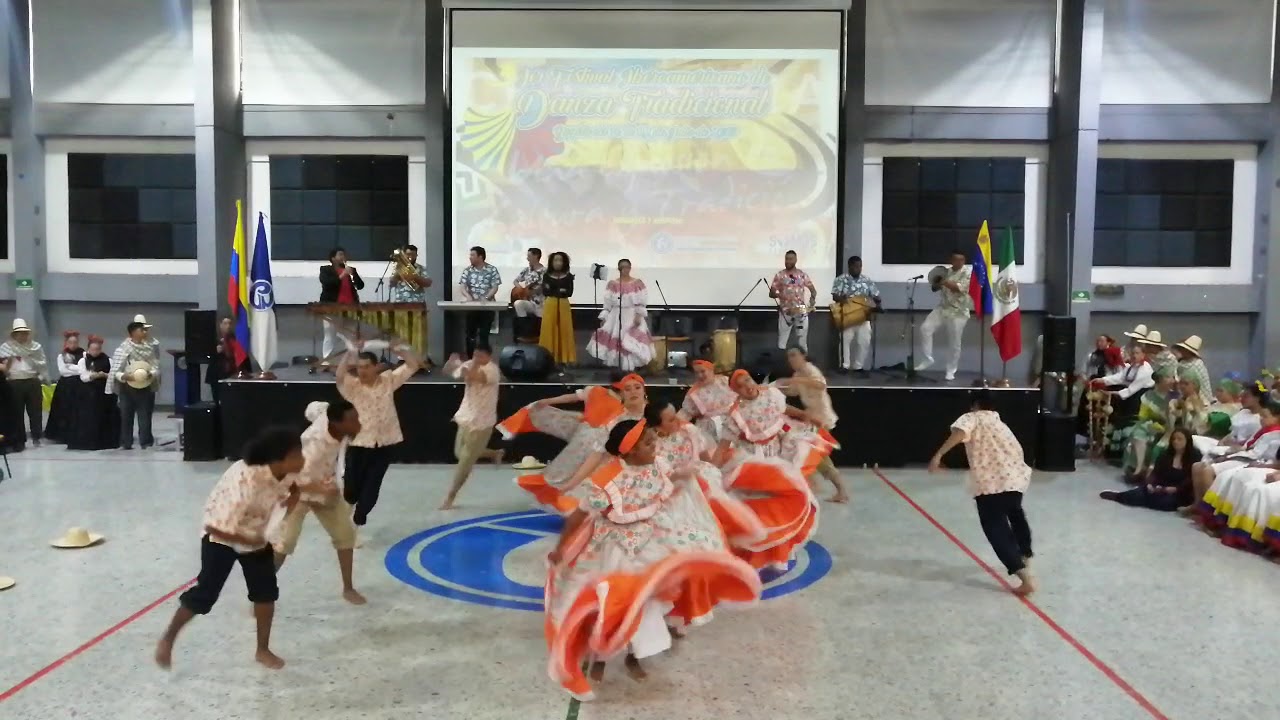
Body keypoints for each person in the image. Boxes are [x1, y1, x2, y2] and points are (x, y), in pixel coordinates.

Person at [543, 419, 762, 700]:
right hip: (614, 547)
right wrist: (561, 549)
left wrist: (691, 477)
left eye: (651, 439)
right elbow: (579, 517)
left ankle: (635, 655)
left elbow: (670, 481)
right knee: (612, 602)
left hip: (653, 540)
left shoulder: (658, 464)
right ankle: (600, 656)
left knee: (649, 601)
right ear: (630, 452)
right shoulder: (606, 481)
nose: (654, 444)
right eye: (647, 442)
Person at [154, 426, 304, 671]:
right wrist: (251, 541)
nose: (303, 460)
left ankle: (262, 649)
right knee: (206, 594)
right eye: (297, 455)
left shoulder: (288, 471)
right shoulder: (246, 482)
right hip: (221, 537)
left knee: (265, 593)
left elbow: (296, 487)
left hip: (255, 533)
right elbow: (217, 528)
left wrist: (288, 503)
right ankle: (168, 638)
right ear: (279, 458)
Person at [928, 389, 1036, 595]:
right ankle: (1025, 553)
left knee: (995, 528)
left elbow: (959, 433)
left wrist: (938, 455)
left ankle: (1023, 575)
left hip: (990, 483)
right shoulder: (1000, 423)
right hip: (1015, 479)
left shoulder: (972, 418)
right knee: (1015, 513)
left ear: (974, 405)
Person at [506, 373, 648, 514]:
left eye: (637, 387)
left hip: (591, 440)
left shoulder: (647, 413)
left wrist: (548, 401)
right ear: (621, 390)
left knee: (568, 470)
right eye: (627, 388)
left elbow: (573, 401)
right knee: (574, 473)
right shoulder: (614, 417)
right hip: (596, 443)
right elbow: (598, 452)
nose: (633, 391)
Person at [273, 400, 366, 605]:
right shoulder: (314, 447)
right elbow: (293, 480)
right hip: (297, 492)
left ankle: (348, 588)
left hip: (325, 488)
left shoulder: (330, 419)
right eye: (352, 421)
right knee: (285, 542)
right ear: (336, 423)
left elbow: (314, 409)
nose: (358, 424)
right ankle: (262, 593)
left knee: (345, 535)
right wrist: (321, 488)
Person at [335, 339, 423, 526]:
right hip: (359, 444)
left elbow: (413, 365)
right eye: (359, 367)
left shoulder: (388, 381)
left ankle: (359, 518)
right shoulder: (352, 387)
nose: (363, 371)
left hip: (384, 443)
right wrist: (350, 353)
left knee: (371, 488)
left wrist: (399, 349)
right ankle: (350, 508)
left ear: (376, 367)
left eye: (367, 367)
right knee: (351, 489)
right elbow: (340, 375)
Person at [777, 347, 850, 503]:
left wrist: (795, 380)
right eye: (789, 357)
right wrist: (774, 388)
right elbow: (792, 392)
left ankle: (829, 489)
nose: (791, 359)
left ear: (803, 355)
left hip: (821, 419)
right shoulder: (798, 375)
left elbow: (820, 384)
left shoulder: (810, 369)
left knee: (815, 455)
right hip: (811, 421)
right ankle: (817, 487)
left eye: (794, 355)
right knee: (810, 454)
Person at [1194, 395, 1280, 525]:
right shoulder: (1264, 430)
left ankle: (1212, 517)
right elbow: (1248, 445)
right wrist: (1232, 451)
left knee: (1213, 472)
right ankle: (1200, 508)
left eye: (1265, 416)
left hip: (1253, 460)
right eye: (1261, 416)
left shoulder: (1274, 434)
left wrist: (1232, 455)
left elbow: (1256, 454)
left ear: (1277, 418)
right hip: (1247, 456)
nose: (1261, 420)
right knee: (1200, 466)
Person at [439, 345, 504, 510]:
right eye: (475, 355)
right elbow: (450, 373)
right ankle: (495, 453)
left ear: (489, 357)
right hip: (465, 417)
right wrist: (451, 363)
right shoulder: (470, 364)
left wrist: (469, 365)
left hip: (481, 423)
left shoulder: (492, 370)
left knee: (466, 461)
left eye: (480, 356)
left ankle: (450, 497)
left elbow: (473, 376)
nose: (476, 359)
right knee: (459, 454)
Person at [1100, 428, 1200, 511]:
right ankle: (1119, 496)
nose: (1175, 442)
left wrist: (1176, 489)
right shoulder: (1165, 454)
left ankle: (1147, 500)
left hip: (1178, 492)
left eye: (1179, 439)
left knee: (1166, 503)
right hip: (1160, 487)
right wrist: (1150, 484)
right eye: (1174, 439)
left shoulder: (1194, 456)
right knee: (1138, 493)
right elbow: (1155, 472)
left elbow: (1191, 479)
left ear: (1187, 441)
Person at [586, 258, 653, 371]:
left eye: (627, 267)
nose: (625, 269)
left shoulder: (637, 283)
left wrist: (638, 315)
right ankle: (619, 369)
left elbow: (642, 301)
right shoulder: (613, 284)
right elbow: (608, 303)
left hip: (632, 315)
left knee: (630, 340)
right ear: (618, 269)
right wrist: (604, 316)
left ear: (630, 268)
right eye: (622, 267)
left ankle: (631, 368)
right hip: (616, 316)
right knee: (617, 340)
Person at [916, 250, 972, 381]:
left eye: (961, 260)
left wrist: (943, 280)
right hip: (943, 308)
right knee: (925, 328)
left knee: (954, 343)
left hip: (959, 312)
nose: (958, 262)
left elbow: (958, 288)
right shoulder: (946, 271)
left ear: (964, 261)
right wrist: (936, 282)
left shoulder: (968, 273)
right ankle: (927, 359)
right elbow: (934, 288)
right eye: (955, 259)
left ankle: (951, 371)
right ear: (951, 260)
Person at [1115, 368, 1176, 483]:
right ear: (1159, 380)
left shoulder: (1174, 396)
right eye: (1168, 377)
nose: (1172, 380)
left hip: (1169, 427)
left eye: (1172, 377)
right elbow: (1142, 416)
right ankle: (1139, 467)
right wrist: (1151, 422)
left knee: (1144, 431)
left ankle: (1147, 470)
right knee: (1138, 432)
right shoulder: (1148, 395)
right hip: (1151, 424)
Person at [111, 321, 161, 450]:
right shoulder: (123, 349)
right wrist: (126, 377)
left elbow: (155, 366)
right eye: (141, 330)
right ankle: (126, 442)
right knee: (126, 415)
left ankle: (146, 442)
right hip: (127, 387)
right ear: (133, 332)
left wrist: (151, 374)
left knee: (145, 416)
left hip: (145, 387)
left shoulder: (149, 348)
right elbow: (115, 370)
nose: (144, 332)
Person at [0, 318, 48, 449]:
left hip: (32, 380)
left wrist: (41, 376)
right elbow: (3, 367)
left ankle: (37, 437)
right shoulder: (5, 348)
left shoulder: (36, 347)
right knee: (16, 412)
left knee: (35, 411)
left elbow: (42, 363)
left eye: (25, 332)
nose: (23, 335)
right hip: (14, 382)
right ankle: (19, 439)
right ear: (14, 334)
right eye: (20, 333)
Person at [830, 255, 881, 373]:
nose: (858, 269)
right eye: (855, 266)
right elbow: (834, 296)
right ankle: (845, 365)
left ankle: (858, 366)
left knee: (864, 340)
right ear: (849, 266)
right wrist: (841, 297)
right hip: (848, 315)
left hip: (863, 316)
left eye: (860, 266)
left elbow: (876, 295)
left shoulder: (866, 280)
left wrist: (877, 301)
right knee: (845, 341)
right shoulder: (841, 279)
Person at [66, 336, 119, 451]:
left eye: (98, 349)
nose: (95, 352)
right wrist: (94, 375)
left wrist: (105, 375)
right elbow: (83, 377)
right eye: (93, 349)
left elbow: (113, 374)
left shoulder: (108, 360)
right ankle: (85, 441)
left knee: (104, 416)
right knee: (87, 417)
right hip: (87, 393)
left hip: (104, 393)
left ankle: (105, 441)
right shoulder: (83, 361)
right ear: (88, 349)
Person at [318, 247, 364, 362]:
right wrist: (343, 274)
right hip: (332, 306)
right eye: (340, 255)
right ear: (333, 258)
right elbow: (327, 283)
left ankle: (352, 359)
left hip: (350, 306)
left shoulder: (351, 270)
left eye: (344, 255)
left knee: (351, 334)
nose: (343, 257)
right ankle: (327, 360)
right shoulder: (325, 270)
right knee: (330, 334)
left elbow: (360, 286)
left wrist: (354, 276)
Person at [457, 245, 502, 357]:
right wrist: (468, 296)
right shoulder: (468, 270)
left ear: (480, 257)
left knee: (484, 334)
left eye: (472, 255)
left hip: (487, 306)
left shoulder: (492, 269)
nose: (470, 257)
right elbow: (462, 286)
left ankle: (484, 358)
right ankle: (470, 358)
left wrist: (486, 297)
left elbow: (495, 287)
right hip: (472, 306)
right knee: (470, 333)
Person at [769, 250, 817, 353]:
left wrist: (812, 302)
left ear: (795, 260)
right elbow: (771, 293)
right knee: (782, 342)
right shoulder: (780, 275)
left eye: (790, 259)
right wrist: (779, 295)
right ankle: (781, 364)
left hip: (800, 310)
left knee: (802, 342)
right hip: (785, 311)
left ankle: (804, 365)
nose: (788, 261)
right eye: (786, 259)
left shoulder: (802, 275)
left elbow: (813, 291)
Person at [678, 360, 736, 443]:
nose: (700, 375)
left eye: (702, 371)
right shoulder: (694, 392)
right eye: (696, 373)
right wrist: (672, 425)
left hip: (730, 424)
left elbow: (741, 398)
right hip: (706, 431)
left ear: (711, 369)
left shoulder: (724, 381)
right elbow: (686, 412)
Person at [44, 330, 84, 443]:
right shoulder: (61, 356)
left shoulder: (84, 354)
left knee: (77, 410)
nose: (73, 344)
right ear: (66, 343)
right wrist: (76, 369)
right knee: (63, 410)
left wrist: (70, 367)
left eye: (75, 342)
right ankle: (61, 435)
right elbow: (62, 371)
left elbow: (83, 370)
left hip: (80, 386)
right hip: (65, 387)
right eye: (70, 342)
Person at [539, 251, 575, 365]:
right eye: (555, 260)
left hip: (563, 305)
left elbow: (569, 292)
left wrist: (556, 290)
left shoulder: (568, 276)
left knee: (564, 330)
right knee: (549, 330)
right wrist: (559, 290)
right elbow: (546, 291)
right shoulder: (546, 276)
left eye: (560, 260)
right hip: (550, 304)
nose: (558, 263)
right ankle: (548, 357)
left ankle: (564, 359)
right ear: (551, 262)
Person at [511, 247, 545, 341]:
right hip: (528, 301)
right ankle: (524, 333)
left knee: (541, 320)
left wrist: (535, 290)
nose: (527, 258)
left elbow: (543, 287)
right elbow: (516, 281)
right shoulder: (527, 270)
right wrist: (520, 289)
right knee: (518, 304)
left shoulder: (544, 271)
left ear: (536, 256)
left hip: (541, 303)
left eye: (529, 256)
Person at [1172, 335, 1212, 404]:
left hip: (1199, 398)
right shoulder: (1182, 363)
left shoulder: (1197, 364)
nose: (1181, 351)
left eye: (1183, 349)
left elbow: (1200, 385)